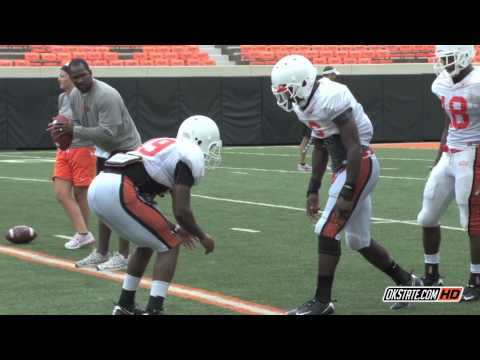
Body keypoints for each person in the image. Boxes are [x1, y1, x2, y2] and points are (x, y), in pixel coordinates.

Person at [271, 55, 421, 315]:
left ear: (304, 82)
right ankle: (408, 282)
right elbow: (320, 144)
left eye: (288, 90)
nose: (286, 97)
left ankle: (321, 302)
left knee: (327, 230)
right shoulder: (303, 106)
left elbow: (353, 145)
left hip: (359, 162)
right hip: (345, 167)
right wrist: (312, 189)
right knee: (358, 240)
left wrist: (349, 190)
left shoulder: (332, 95)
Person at [87, 115, 221, 315]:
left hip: (100, 186)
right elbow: (181, 210)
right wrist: (203, 236)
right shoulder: (190, 153)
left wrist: (175, 227)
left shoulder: (165, 145)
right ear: (200, 140)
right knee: (170, 245)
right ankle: (155, 309)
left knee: (148, 242)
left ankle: (125, 304)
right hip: (119, 189)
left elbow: (147, 202)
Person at [48, 58, 142, 271]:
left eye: (84, 74)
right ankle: (101, 252)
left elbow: (109, 135)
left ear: (91, 72)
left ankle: (124, 255)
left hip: (124, 149)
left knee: (119, 202)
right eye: (76, 77)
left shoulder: (107, 95)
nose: (81, 80)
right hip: (103, 150)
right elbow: (81, 126)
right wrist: (63, 138)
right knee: (100, 201)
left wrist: (74, 131)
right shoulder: (73, 95)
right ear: (71, 79)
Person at [417, 45, 480, 302]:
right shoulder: (442, 82)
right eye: (442, 57)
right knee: (427, 215)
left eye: (449, 57)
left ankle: (476, 279)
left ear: (466, 56)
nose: (444, 62)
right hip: (450, 152)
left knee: (471, 221)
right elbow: (448, 120)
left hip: (473, 152)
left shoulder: (477, 83)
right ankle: (432, 274)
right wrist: (439, 155)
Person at [52, 64, 97, 250]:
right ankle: (84, 233)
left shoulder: (85, 97)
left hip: (83, 147)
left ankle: (83, 233)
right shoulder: (62, 97)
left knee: (81, 194)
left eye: (62, 76)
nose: (59, 79)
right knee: (61, 193)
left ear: (72, 78)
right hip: (64, 149)